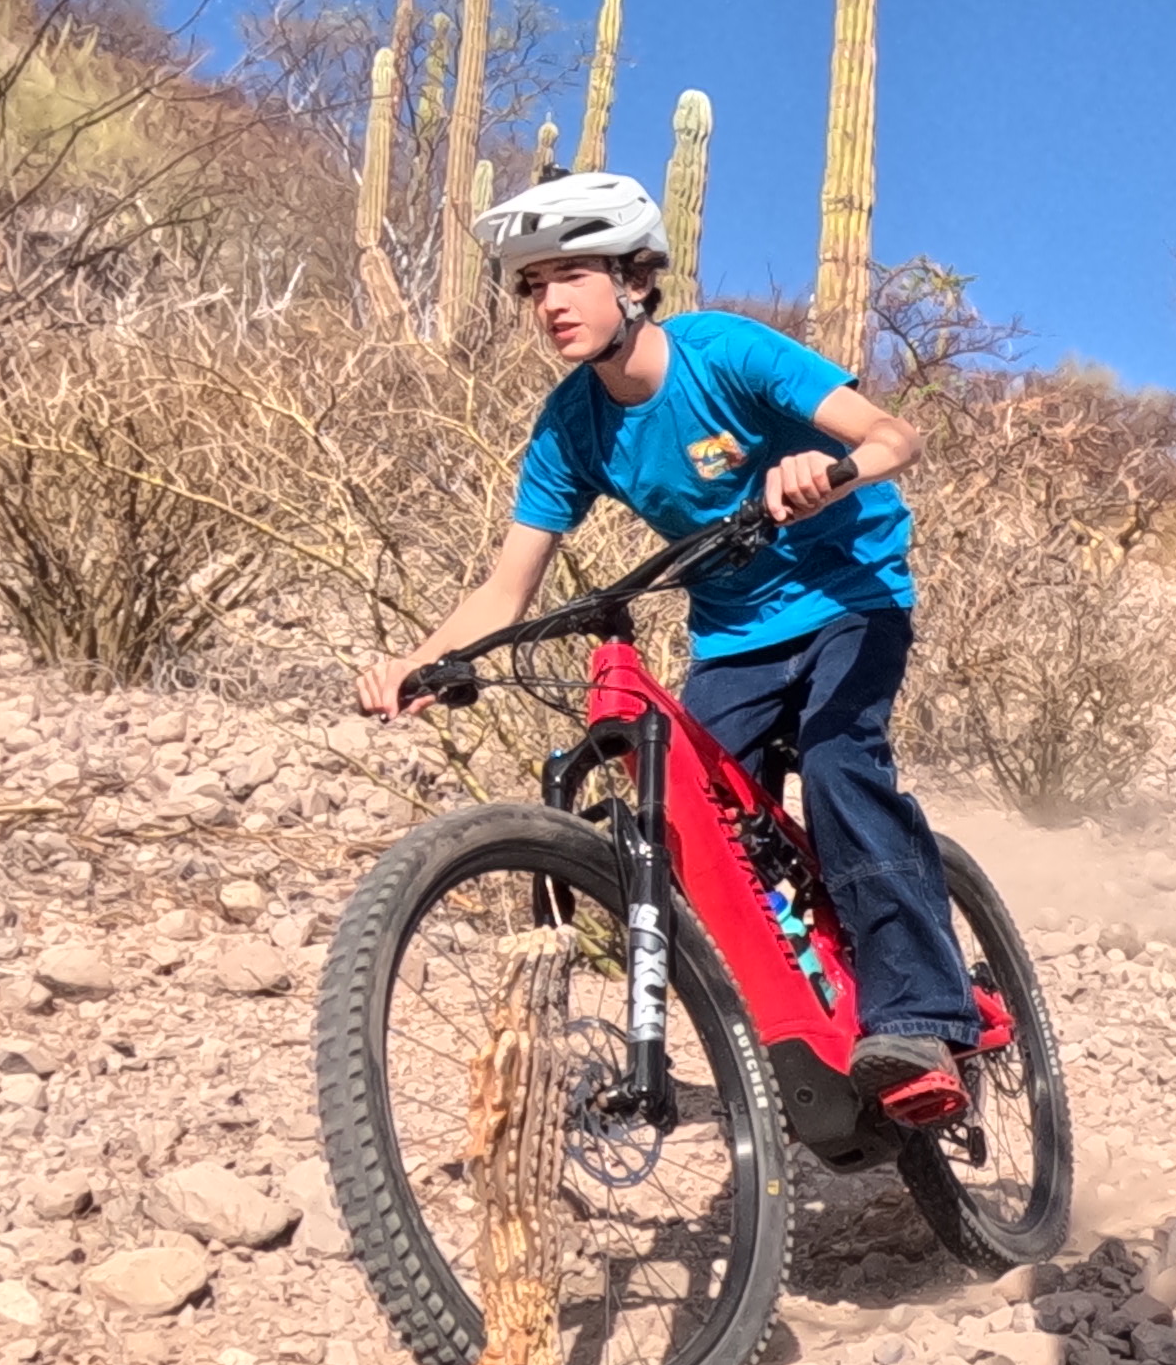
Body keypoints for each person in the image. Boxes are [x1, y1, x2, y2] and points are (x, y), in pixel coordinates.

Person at [361, 169, 975, 1129]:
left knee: (837, 762)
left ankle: (922, 1016)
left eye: (570, 274)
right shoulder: (572, 424)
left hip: (852, 592)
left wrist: (831, 466)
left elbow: (898, 436)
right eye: (532, 285)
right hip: (733, 632)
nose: (550, 302)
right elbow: (506, 587)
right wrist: (425, 659)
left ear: (633, 280)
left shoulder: (722, 352)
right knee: (689, 821)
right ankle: (800, 1017)